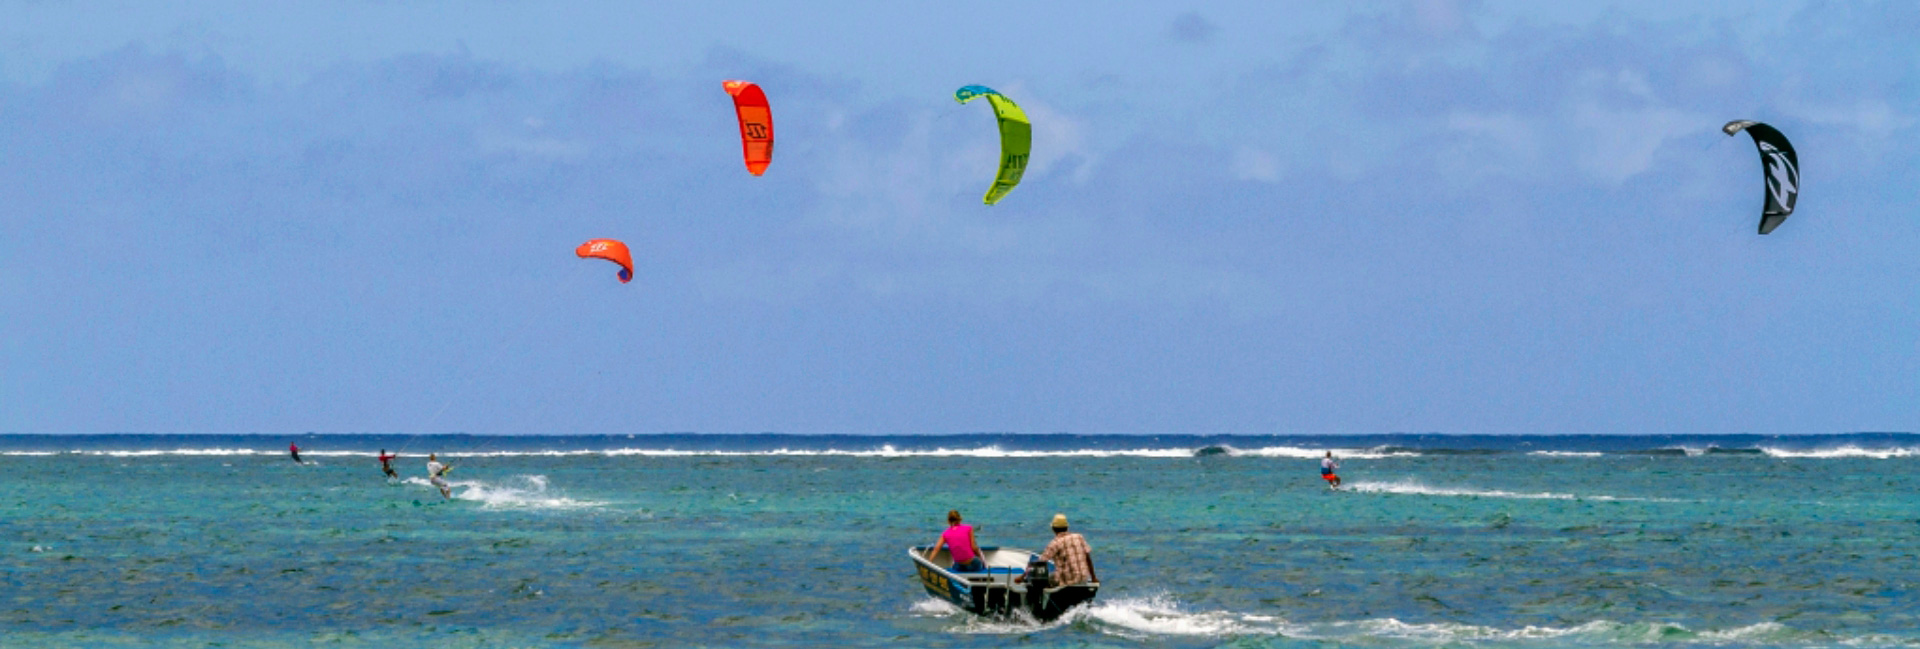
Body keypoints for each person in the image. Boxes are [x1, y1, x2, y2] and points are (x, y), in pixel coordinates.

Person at [1030, 513, 1097, 586]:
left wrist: (1021, 577)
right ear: (1067, 527)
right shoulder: (1079, 537)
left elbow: (1040, 562)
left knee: (1045, 580)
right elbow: (1088, 558)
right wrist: (1093, 578)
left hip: (1067, 581)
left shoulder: (1055, 543)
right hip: (1083, 578)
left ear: (1053, 529)